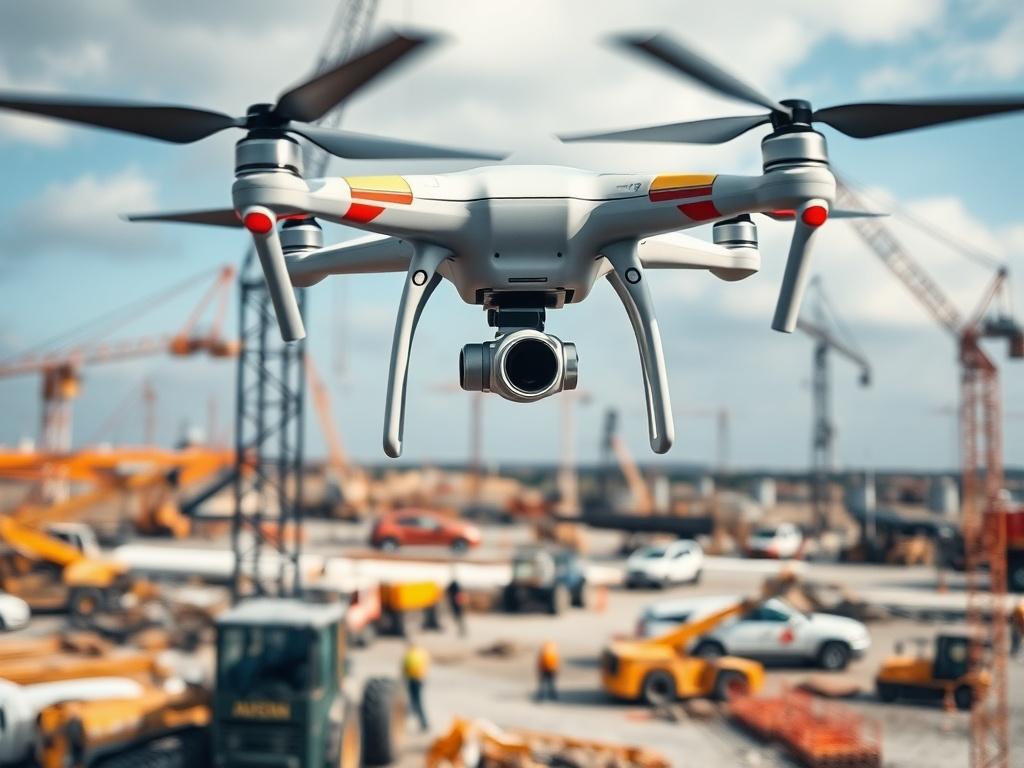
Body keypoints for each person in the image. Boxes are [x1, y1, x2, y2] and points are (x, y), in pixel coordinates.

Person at [402, 640, 430, 732]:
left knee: (415, 702)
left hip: (414, 679)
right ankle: (423, 723)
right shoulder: (421, 653)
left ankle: (422, 723)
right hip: (418, 679)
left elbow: (404, 668)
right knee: (416, 702)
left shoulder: (410, 654)